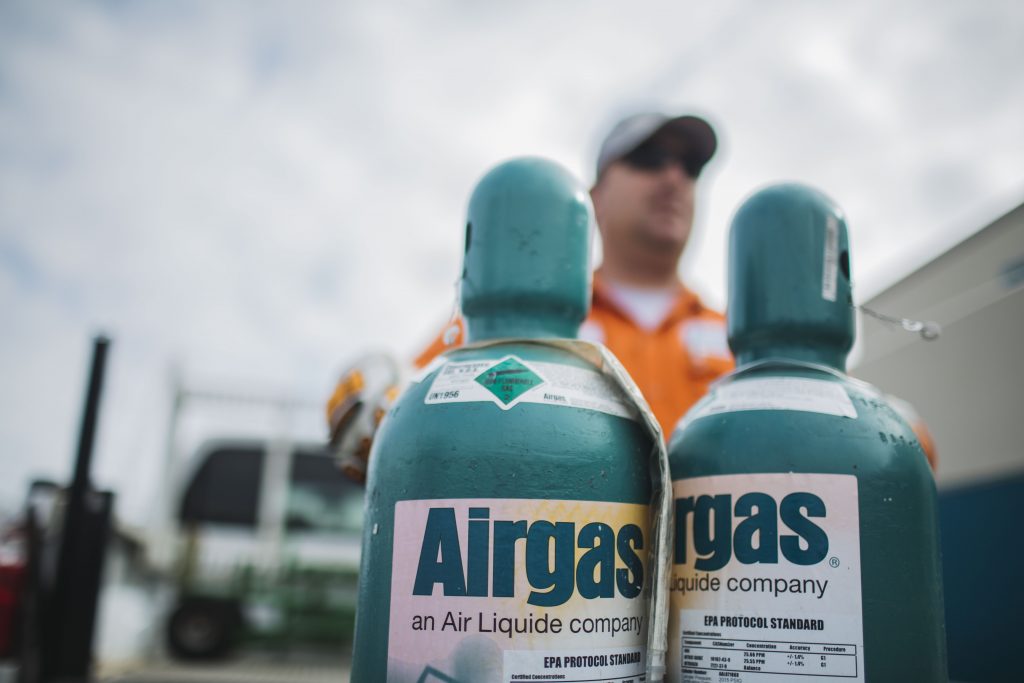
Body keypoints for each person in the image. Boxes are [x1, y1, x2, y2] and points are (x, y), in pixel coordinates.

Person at [327, 111, 937, 476]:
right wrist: (374, 401)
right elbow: (400, 410)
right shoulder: (507, 326)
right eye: (648, 158)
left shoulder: (745, 338)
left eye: (689, 167)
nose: (674, 177)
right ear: (593, 195)